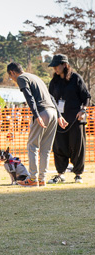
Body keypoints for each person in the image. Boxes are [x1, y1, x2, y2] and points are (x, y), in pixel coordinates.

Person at [6, 62, 67, 187]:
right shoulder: (35, 77)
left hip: (42, 112)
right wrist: (59, 116)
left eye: (10, 77)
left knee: (32, 146)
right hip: (53, 112)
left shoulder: (21, 78)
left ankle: (33, 178)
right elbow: (51, 97)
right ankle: (42, 179)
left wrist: (36, 114)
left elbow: (29, 97)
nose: (12, 79)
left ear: (12, 72)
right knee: (46, 149)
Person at [47, 54, 91, 184]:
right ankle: (60, 174)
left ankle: (78, 174)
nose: (55, 68)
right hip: (60, 120)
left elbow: (86, 97)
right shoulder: (54, 82)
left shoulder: (76, 78)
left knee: (77, 147)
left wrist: (83, 110)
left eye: (57, 65)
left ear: (64, 65)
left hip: (76, 120)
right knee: (59, 147)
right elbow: (50, 99)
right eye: (53, 66)